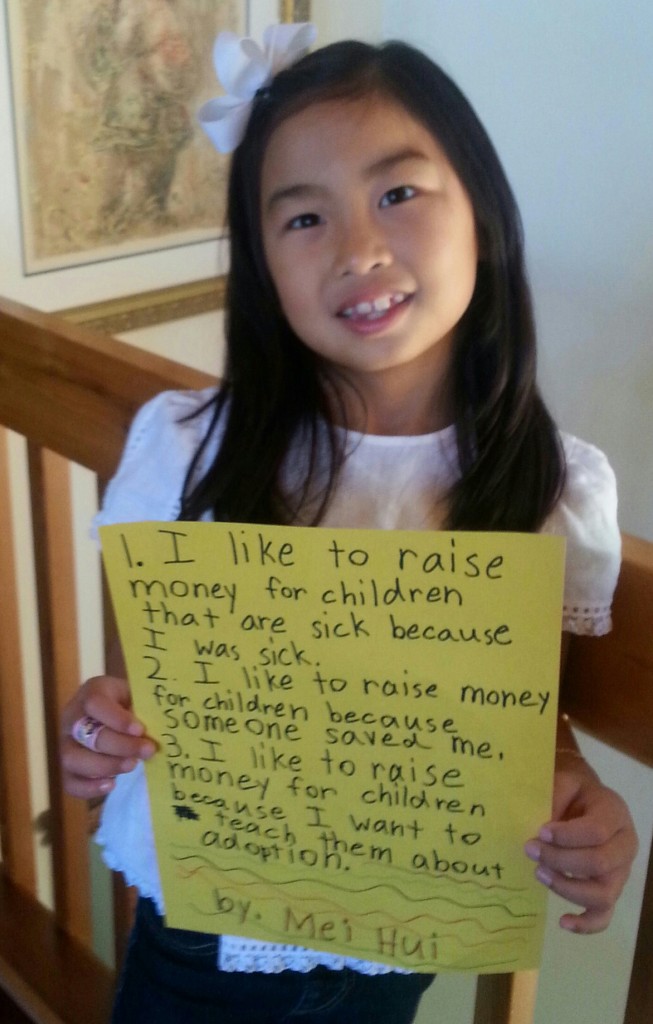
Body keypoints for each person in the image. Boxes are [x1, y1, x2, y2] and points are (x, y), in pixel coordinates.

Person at [61, 23, 638, 1024]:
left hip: (395, 944)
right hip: (200, 935)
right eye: (302, 219)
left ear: (482, 213)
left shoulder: (545, 484)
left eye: (397, 193)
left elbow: (523, 714)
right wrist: (96, 725)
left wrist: (580, 797)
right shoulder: (188, 447)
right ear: (260, 263)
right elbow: (136, 683)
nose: (359, 250)